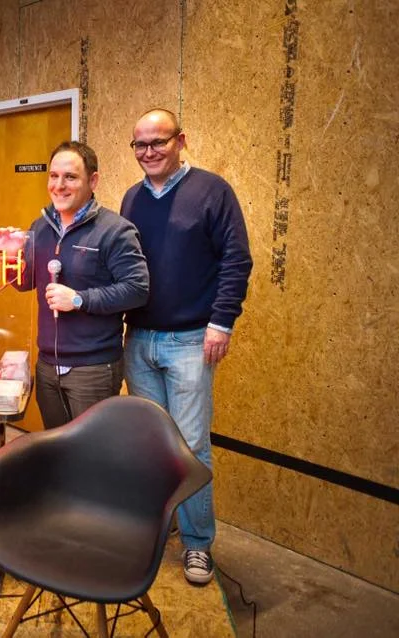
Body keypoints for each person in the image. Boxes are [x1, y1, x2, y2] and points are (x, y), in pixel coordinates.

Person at [120, 108, 252, 586]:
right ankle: (159, 527)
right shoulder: (132, 197)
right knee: (153, 445)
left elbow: (236, 259)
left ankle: (198, 543)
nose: (149, 151)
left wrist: (222, 322)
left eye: (159, 141)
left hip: (192, 341)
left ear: (181, 140)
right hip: (139, 339)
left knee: (192, 445)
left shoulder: (212, 191)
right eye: (140, 144)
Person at [0, 141, 149, 428]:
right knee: (56, 446)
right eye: (53, 176)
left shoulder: (115, 230)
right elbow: (24, 283)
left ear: (93, 180)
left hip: (93, 369)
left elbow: (137, 289)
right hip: (47, 365)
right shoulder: (40, 227)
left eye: (70, 177)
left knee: (91, 450)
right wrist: (11, 256)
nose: (59, 185)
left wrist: (79, 299)